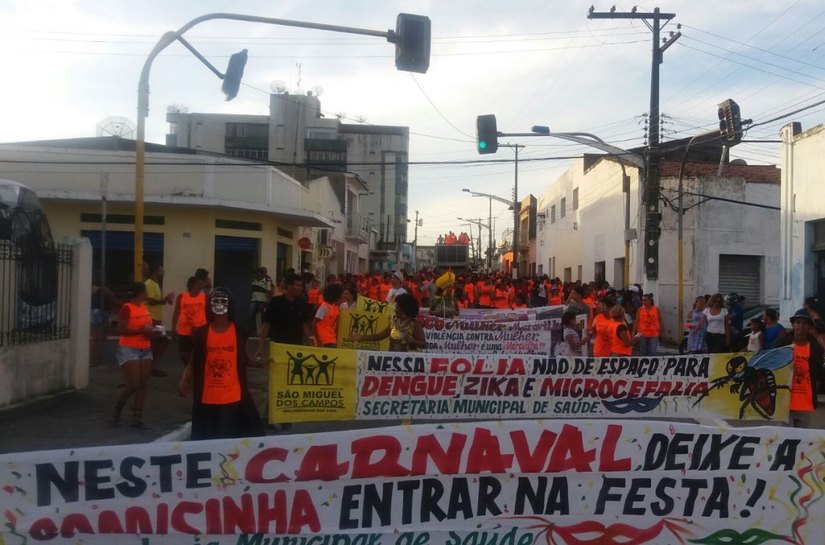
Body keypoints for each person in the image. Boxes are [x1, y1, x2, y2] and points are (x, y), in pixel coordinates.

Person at [178, 288, 265, 440]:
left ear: (229, 305)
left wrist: (264, 364)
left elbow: (244, 359)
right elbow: (194, 361)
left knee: (228, 438)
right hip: (207, 396)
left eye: (222, 302)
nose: (219, 305)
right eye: (215, 302)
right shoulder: (200, 333)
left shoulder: (239, 332)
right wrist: (185, 380)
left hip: (232, 396)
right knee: (208, 439)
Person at [113, 282, 160, 428]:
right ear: (140, 293)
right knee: (134, 384)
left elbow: (148, 326)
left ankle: (137, 415)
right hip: (129, 348)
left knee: (142, 383)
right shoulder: (127, 308)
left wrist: (152, 332)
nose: (147, 294)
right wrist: (142, 332)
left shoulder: (144, 308)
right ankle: (118, 409)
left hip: (145, 347)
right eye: (145, 292)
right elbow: (121, 329)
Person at [778, 309, 824, 428]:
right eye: (798, 322)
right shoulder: (782, 343)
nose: (800, 326)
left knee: (801, 440)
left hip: (805, 400)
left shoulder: (815, 347)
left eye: (804, 323)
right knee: (785, 438)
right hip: (785, 400)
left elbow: (818, 372)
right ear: (793, 324)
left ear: (809, 327)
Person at [256, 273, 312, 358]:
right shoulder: (275, 302)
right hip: (278, 346)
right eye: (297, 285)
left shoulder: (302, 303)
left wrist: (309, 345)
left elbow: (304, 325)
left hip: (296, 346)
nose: (300, 288)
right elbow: (266, 325)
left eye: (301, 285)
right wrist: (260, 348)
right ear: (289, 286)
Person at [350, 293, 426, 352]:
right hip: (392, 359)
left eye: (397, 308)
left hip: (409, 362)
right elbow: (380, 336)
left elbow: (424, 344)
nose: (395, 310)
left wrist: (411, 340)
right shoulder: (395, 321)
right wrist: (361, 337)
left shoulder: (414, 324)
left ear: (404, 310)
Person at [144, 264, 175, 377]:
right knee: (159, 341)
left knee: (161, 341)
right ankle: (153, 366)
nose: (163, 272)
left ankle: (154, 365)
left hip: (156, 319)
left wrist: (165, 299)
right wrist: (164, 300)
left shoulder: (156, 284)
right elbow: (150, 301)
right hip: (151, 319)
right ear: (156, 271)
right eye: (161, 270)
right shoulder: (149, 284)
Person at [172, 276, 207, 368]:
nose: (201, 286)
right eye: (198, 284)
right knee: (183, 353)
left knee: (199, 351)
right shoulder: (182, 297)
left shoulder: (204, 297)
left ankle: (196, 369)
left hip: (199, 329)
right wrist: (173, 328)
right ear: (192, 285)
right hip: (184, 330)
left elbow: (208, 313)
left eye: (201, 284)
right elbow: (176, 313)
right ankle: (188, 367)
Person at [90, 273, 120, 367]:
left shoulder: (89, 289)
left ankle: (92, 359)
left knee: (95, 338)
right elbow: (115, 301)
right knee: (101, 339)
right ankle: (96, 360)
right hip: (102, 313)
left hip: (92, 313)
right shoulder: (104, 290)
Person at [312, 283, 343, 348]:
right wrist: (318, 340)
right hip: (323, 340)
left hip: (331, 338)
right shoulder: (324, 307)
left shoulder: (335, 307)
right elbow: (314, 324)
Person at [248, 267, 273, 332]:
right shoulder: (254, 282)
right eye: (255, 273)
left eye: (258, 273)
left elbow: (269, 293)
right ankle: (251, 330)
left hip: (262, 302)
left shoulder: (267, 282)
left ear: (261, 274)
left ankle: (261, 331)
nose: (256, 275)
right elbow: (251, 291)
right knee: (250, 315)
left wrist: (267, 303)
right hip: (254, 301)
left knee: (262, 317)